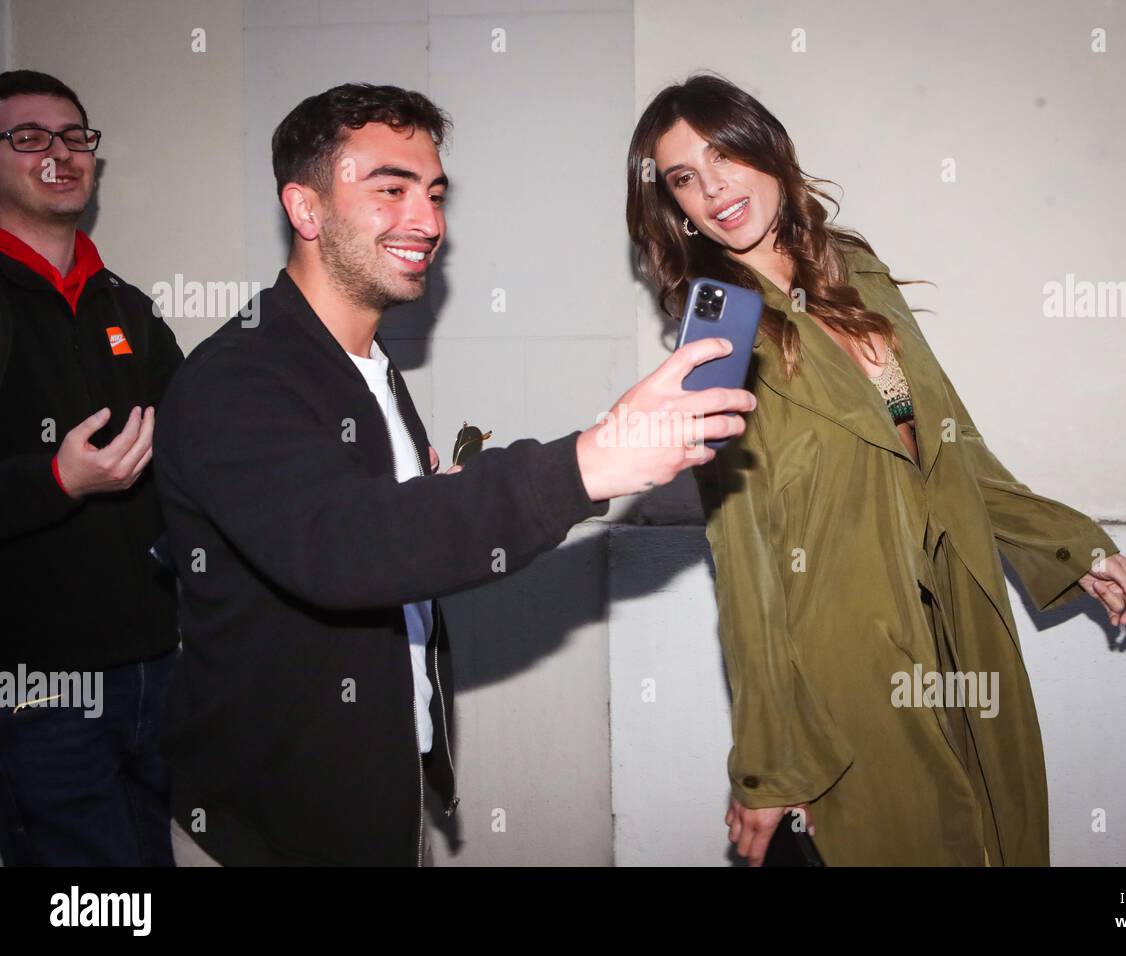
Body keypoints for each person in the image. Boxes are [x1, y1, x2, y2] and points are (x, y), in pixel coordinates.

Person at [154, 82, 753, 866]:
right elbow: (347, 550)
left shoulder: (364, 368)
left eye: (434, 193)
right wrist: (591, 460)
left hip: (380, 809)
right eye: (390, 189)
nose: (428, 221)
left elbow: (397, 533)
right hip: (270, 837)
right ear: (304, 211)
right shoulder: (237, 379)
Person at [626, 73, 1126, 866]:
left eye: (723, 154)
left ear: (766, 148)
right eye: (683, 178)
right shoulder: (719, 330)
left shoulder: (854, 269)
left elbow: (950, 444)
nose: (713, 188)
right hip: (845, 653)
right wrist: (770, 764)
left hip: (957, 609)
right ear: (673, 206)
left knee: (993, 835)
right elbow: (743, 556)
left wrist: (1072, 549)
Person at [0, 70, 184, 866]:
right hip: (36, 688)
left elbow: (197, 445)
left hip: (158, 670)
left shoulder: (128, 308)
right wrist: (58, 481)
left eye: (76, 137)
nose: (60, 154)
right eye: (30, 137)